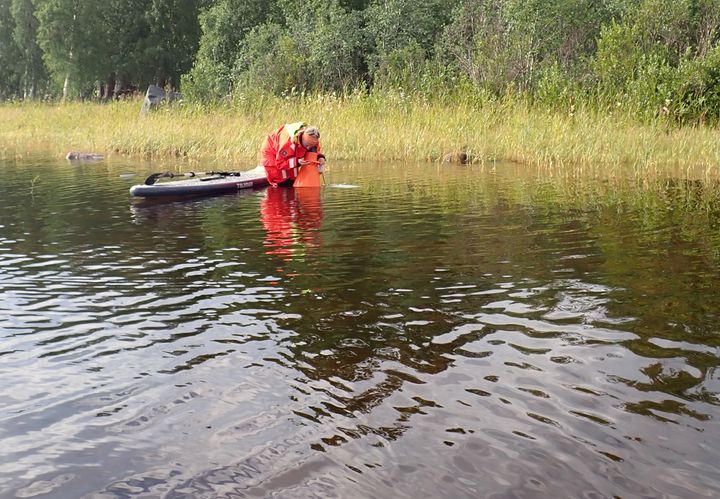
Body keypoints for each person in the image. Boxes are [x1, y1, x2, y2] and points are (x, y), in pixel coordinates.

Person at [260, 122, 326, 186]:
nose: (308, 148)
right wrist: (296, 162)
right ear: (302, 139)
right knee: (282, 182)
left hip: (292, 149)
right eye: (307, 145)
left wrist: (320, 157)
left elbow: (316, 149)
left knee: (293, 179)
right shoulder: (287, 143)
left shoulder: (312, 138)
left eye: (310, 146)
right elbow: (280, 163)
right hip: (271, 151)